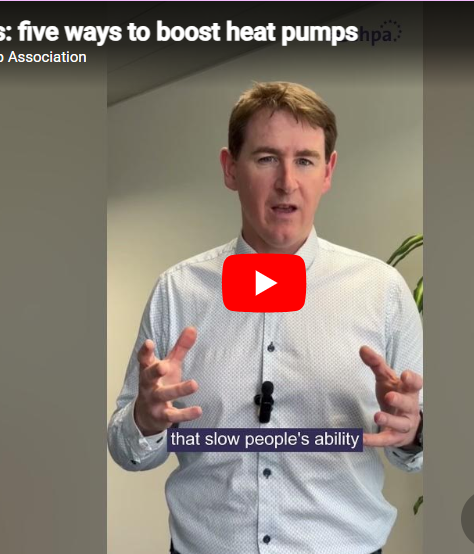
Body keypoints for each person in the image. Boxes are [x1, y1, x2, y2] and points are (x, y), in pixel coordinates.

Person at [107, 81, 423, 554]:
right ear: (230, 168)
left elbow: (415, 452)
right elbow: (126, 449)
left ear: (328, 171)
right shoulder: (178, 292)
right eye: (266, 158)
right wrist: (144, 420)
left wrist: (413, 431)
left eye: (305, 160)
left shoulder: (383, 292)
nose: (287, 182)